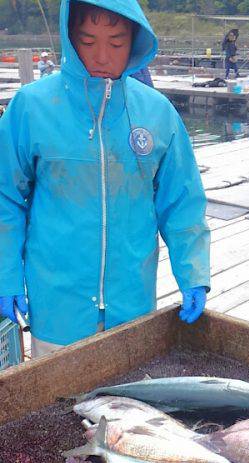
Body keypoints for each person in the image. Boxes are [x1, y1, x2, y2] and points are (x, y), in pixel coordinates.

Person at [0, 0, 210, 358]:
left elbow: (182, 203)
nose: (101, 56)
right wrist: (5, 275)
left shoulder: (158, 113)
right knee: (59, 391)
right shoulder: (30, 107)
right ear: (70, 37)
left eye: (115, 42)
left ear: (135, 41)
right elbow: (5, 196)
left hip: (132, 304)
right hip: (57, 306)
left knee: (130, 389)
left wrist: (194, 273)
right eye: (87, 41)